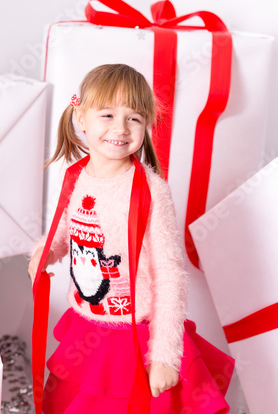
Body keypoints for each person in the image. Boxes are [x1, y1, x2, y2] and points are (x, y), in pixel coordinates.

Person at [28, 64, 234, 414]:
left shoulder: (150, 191)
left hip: (132, 336)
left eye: (134, 119)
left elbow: (169, 276)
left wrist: (165, 356)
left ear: (146, 125)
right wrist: (45, 253)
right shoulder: (77, 175)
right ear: (81, 117)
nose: (120, 129)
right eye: (107, 115)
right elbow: (68, 227)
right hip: (87, 323)